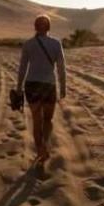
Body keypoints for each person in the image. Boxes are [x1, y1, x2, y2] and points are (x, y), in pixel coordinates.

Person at [16, 14, 66, 163]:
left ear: (35, 26)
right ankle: (44, 146)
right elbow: (61, 67)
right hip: (48, 86)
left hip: (32, 85)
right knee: (48, 120)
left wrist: (19, 87)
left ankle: (40, 150)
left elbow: (22, 67)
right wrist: (63, 86)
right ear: (49, 26)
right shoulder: (56, 43)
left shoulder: (28, 44)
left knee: (37, 120)